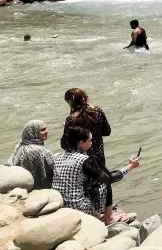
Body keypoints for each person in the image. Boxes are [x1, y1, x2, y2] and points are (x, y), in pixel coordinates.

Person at [53, 126, 139, 221]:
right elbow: (110, 178)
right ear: (81, 142)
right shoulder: (85, 160)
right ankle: (109, 217)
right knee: (105, 181)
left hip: (62, 205)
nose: (92, 143)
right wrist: (130, 166)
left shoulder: (57, 156)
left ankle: (100, 214)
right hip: (79, 208)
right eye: (90, 140)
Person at [64, 88, 116, 223]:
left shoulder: (71, 119)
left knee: (85, 184)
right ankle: (108, 215)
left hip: (80, 157)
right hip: (98, 153)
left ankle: (92, 214)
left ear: (70, 102)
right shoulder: (97, 112)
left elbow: (65, 142)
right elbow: (107, 131)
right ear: (86, 98)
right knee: (104, 180)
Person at [9, 120, 54, 189]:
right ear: (33, 132)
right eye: (42, 130)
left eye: (46, 129)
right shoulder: (38, 151)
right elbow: (53, 168)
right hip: (39, 186)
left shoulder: (20, 145)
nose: (46, 132)